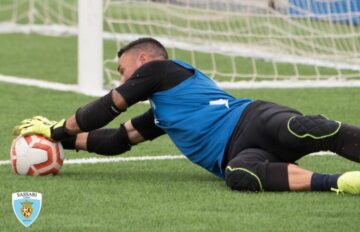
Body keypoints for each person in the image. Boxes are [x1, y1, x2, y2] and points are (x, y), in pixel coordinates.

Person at [13, 37, 360, 194]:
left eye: (122, 70)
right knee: (239, 176)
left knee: (300, 129)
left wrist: (57, 129)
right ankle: (340, 182)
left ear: (144, 62)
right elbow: (119, 139)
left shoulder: (163, 70)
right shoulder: (162, 114)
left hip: (253, 118)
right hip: (238, 154)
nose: (121, 79)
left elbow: (108, 107)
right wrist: (65, 142)